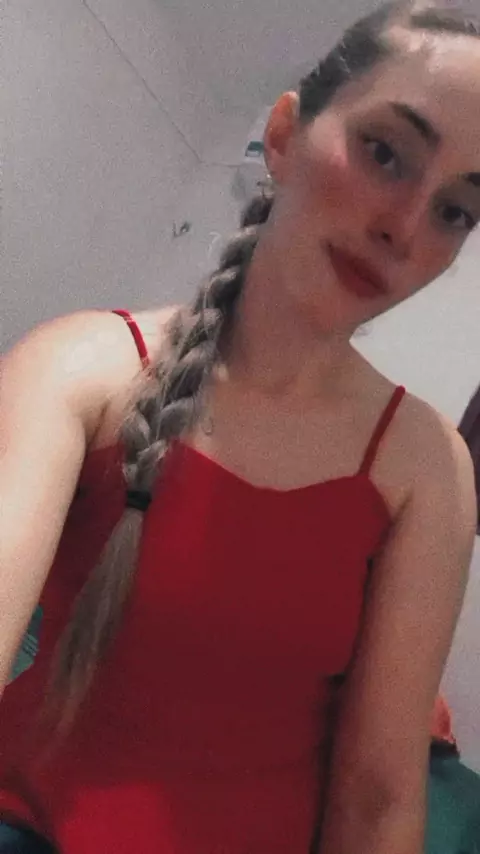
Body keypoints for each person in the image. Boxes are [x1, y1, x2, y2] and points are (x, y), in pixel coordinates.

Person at [0, 1, 478, 851]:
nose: (404, 227)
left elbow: (377, 802)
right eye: (384, 153)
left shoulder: (426, 467)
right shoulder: (82, 366)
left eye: (455, 212)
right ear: (285, 135)